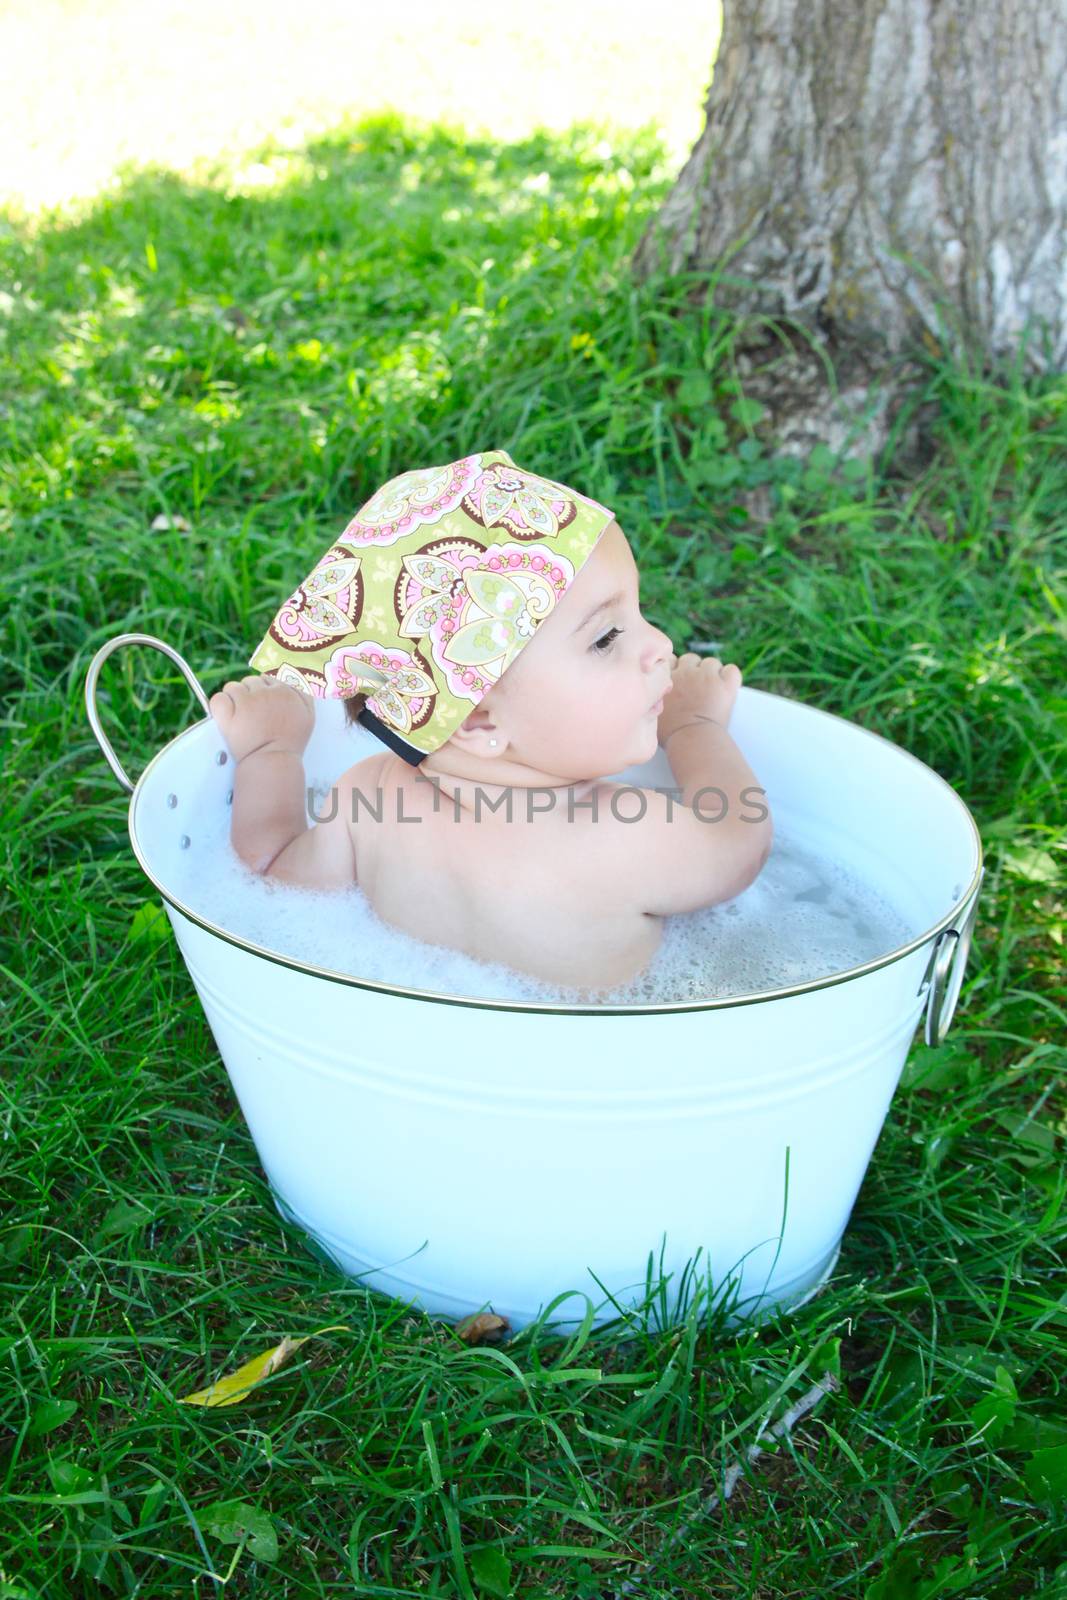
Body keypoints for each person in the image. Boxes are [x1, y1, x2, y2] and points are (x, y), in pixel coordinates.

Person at [209, 449, 772, 992]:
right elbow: (740, 844)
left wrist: (271, 754)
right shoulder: (627, 833)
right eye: (606, 639)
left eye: (637, 612)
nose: (660, 644)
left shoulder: (368, 802)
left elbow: (271, 873)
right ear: (478, 723)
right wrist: (695, 726)